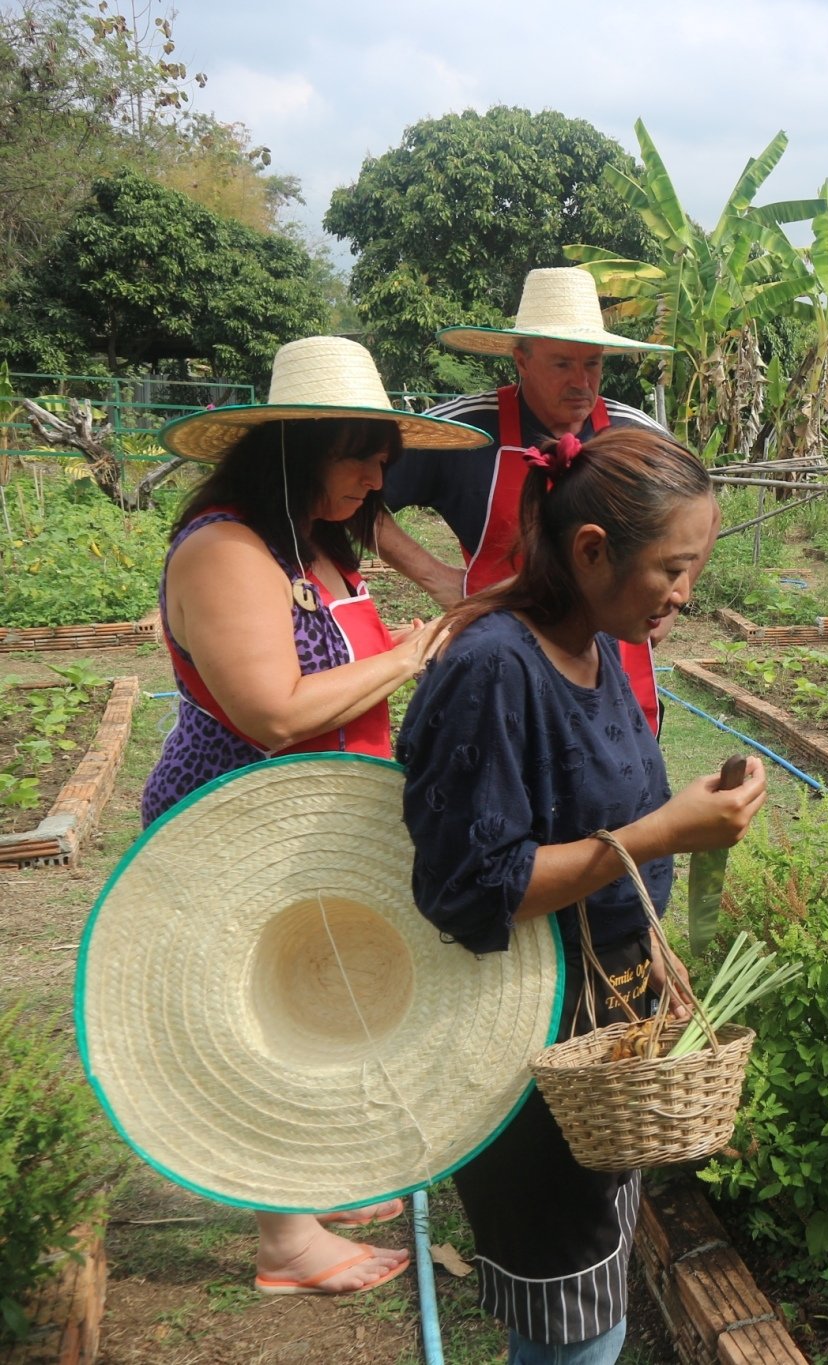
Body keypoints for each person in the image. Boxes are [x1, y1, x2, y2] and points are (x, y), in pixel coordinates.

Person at [397, 422, 769, 1365]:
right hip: (528, 1049)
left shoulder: (593, 649)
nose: (687, 595)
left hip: (603, 1038)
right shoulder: (494, 669)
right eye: (673, 569)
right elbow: (469, 886)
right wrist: (660, 833)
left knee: (584, 1310)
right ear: (593, 550)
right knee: (574, 1327)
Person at [145, 335, 493, 1295]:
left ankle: (306, 1188)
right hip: (235, 822)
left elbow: (394, 599)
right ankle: (285, 1242)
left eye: (385, 458)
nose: (377, 477)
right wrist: (416, 652)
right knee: (259, 1021)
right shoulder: (226, 548)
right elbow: (274, 709)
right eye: (360, 456)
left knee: (315, 1007)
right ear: (296, 450)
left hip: (308, 820)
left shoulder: (312, 535)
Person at [373, 266, 673, 733]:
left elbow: (695, 517)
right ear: (521, 361)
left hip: (616, 680)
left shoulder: (638, 435)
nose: (581, 381)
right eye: (562, 364)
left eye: (592, 363)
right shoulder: (465, 429)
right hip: (497, 669)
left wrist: (668, 599)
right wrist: (436, 576)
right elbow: (353, 497)